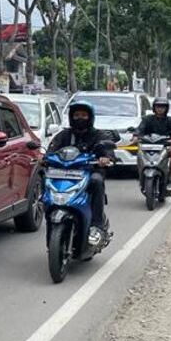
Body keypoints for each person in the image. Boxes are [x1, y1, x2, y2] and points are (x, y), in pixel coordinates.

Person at [47, 101, 116, 242]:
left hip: (90, 171)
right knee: (46, 180)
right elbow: (51, 150)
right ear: (72, 117)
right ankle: (49, 213)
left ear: (90, 117)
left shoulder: (98, 135)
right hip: (64, 173)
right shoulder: (63, 135)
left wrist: (105, 158)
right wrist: (43, 157)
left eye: (84, 115)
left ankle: (97, 225)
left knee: (96, 181)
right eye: (77, 115)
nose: (80, 118)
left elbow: (108, 152)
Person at [136, 97, 171, 185]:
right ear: (154, 108)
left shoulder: (170, 120)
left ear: (166, 108)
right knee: (139, 153)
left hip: (164, 146)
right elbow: (140, 128)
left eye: (162, 107)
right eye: (158, 106)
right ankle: (141, 175)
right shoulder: (147, 119)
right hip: (147, 147)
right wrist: (135, 136)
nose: (160, 109)